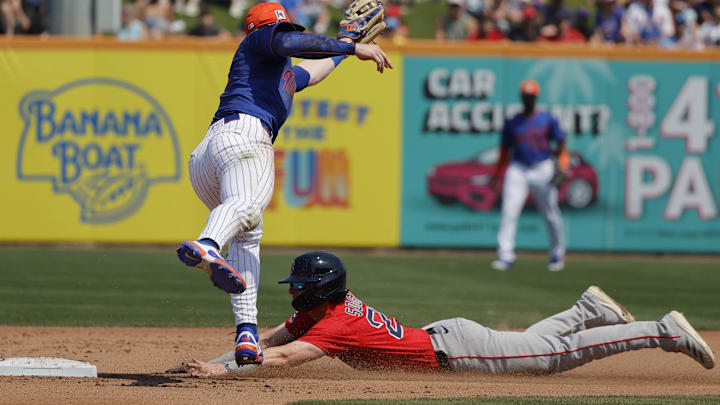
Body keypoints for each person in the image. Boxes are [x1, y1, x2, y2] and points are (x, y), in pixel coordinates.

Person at [175, 2, 392, 369]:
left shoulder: (280, 74)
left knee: (248, 232)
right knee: (246, 208)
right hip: (243, 135)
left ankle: (246, 332)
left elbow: (313, 69)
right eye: (286, 28)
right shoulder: (261, 39)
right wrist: (356, 48)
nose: (290, 32)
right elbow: (294, 44)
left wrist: (345, 43)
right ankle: (207, 244)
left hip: (210, 153)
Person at [173, 251, 715, 377]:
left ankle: (660, 331)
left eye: (299, 288)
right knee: (534, 345)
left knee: (550, 359)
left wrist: (224, 372)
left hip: (455, 351)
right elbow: (264, 340)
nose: (293, 296)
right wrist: (217, 359)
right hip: (449, 339)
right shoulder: (325, 311)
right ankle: (588, 309)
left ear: (320, 291)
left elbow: (285, 357)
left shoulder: (330, 324)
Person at [490, 79, 568, 272]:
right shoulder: (513, 122)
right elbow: (504, 151)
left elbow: (561, 144)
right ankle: (506, 254)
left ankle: (557, 252)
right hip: (518, 168)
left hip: (543, 166)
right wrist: (497, 174)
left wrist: (563, 164)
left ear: (536, 97)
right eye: (526, 96)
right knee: (509, 211)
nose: (528, 100)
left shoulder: (547, 119)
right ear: (521, 97)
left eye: (531, 96)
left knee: (550, 212)